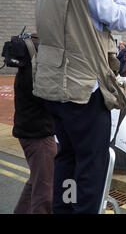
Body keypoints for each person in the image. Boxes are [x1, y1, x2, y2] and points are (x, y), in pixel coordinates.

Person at [33, 0, 126, 214]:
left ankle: (64, 208)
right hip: (82, 89)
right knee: (91, 164)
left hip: (53, 87)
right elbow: (120, 20)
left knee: (67, 158)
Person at [12, 35, 57, 214]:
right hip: (39, 136)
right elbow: (48, 99)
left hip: (30, 133)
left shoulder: (26, 70)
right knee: (45, 190)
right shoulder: (34, 73)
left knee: (37, 181)